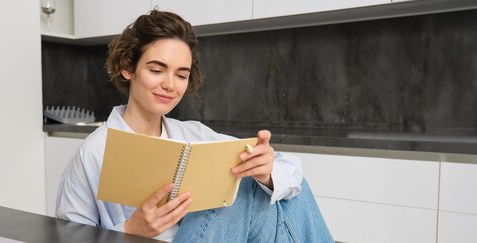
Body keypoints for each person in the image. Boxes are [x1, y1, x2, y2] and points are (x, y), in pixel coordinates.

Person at [56, 10, 333, 242]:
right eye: (156, 70)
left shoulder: (193, 134)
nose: (169, 84)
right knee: (244, 192)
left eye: (181, 75)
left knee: (272, 183)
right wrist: (131, 231)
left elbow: (291, 172)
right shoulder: (93, 152)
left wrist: (266, 171)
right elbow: (67, 238)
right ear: (128, 68)